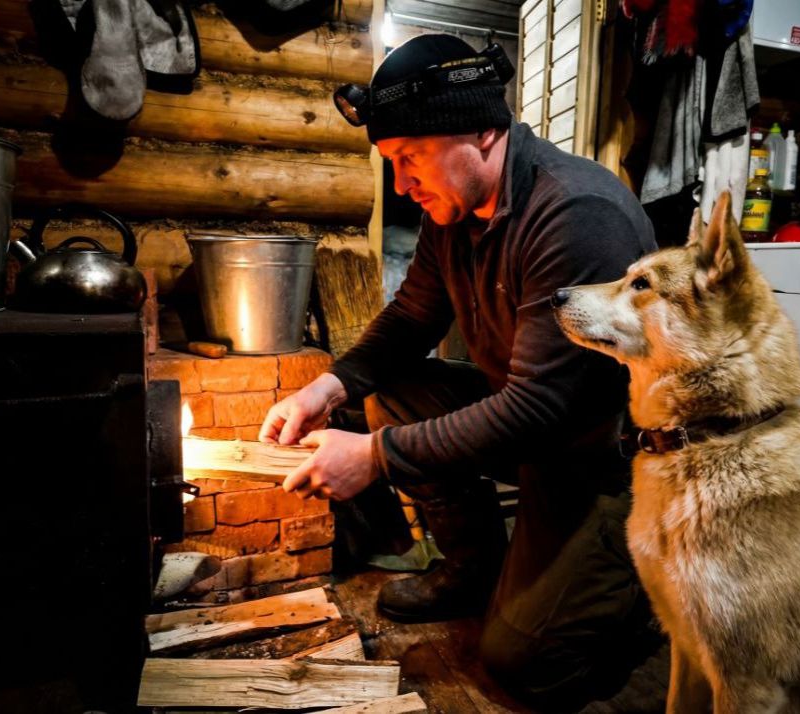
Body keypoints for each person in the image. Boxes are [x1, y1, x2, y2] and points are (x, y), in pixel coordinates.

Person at [259, 34, 659, 708]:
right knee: (394, 395)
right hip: (536, 435)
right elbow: (412, 317)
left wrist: (375, 458)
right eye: (392, 160)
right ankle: (474, 571)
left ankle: (641, 598)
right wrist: (328, 387)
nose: (401, 181)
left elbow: (541, 406)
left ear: (481, 133)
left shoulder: (574, 214)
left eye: (410, 158)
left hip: (607, 461)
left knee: (520, 661)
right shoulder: (453, 209)